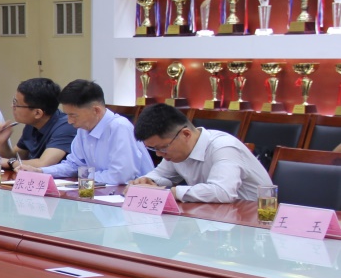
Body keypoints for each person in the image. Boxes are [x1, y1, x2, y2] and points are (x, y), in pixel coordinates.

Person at [17, 79, 153, 185]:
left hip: (128, 195)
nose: (69, 121)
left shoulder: (119, 127)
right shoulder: (83, 128)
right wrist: (40, 171)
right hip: (100, 191)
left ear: (96, 110)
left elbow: (121, 176)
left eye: (73, 115)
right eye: (67, 115)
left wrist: (83, 177)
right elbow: (73, 165)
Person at [128, 104, 271, 202]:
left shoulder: (224, 147)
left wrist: (169, 193)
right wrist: (146, 182)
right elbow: (161, 175)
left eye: (162, 148)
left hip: (254, 221)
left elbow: (222, 192)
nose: (159, 154)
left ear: (186, 134)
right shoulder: (175, 151)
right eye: (154, 149)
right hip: (214, 218)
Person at [0, 77, 77, 170]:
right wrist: (2, 143)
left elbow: (44, 164)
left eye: (16, 104)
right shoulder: (32, 124)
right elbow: (15, 157)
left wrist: (6, 162)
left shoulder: (66, 126)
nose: (12, 106)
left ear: (37, 113)